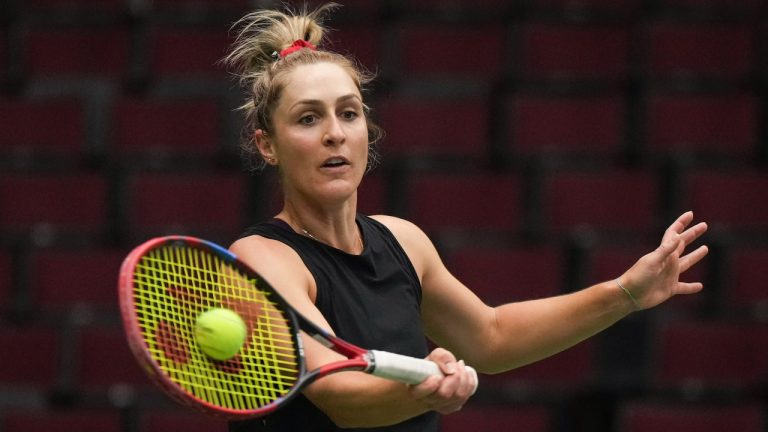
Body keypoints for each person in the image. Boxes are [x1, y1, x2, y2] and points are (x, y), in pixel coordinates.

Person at [224, 3, 709, 432]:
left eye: (348, 114)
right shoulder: (263, 258)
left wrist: (625, 292)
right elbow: (339, 397)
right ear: (267, 144)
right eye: (308, 118)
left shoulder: (403, 241)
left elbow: (490, 337)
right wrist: (420, 389)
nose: (335, 133)